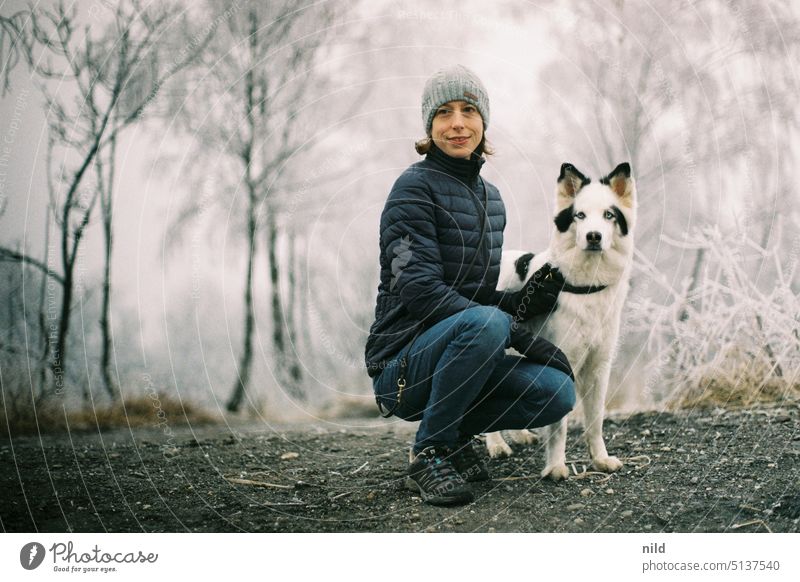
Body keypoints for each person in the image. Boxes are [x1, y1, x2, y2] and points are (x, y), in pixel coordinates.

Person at [364, 65, 576, 506]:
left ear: (483, 121)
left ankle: (457, 435)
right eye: (443, 113)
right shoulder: (412, 190)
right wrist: (516, 333)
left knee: (557, 391)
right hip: (401, 367)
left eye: (468, 110)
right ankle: (430, 452)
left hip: (462, 354)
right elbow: (420, 290)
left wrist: (520, 303)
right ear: (429, 125)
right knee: (486, 326)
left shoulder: (491, 200)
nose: (457, 122)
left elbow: (473, 297)